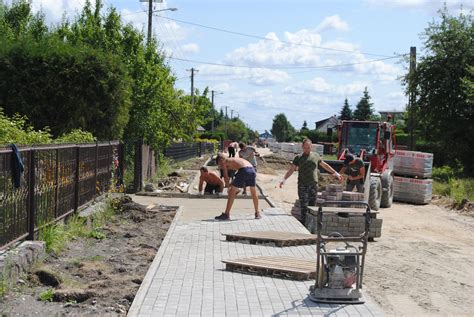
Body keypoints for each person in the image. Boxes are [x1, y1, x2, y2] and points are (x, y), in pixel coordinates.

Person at [279, 138, 342, 224]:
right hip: (302, 185)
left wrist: (335, 173)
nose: (307, 149)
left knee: (313, 207)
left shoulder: (315, 156)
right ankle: (304, 225)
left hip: (313, 185)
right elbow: (291, 170)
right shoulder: (298, 158)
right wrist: (284, 179)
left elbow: (324, 165)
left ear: (311, 147)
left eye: (308, 147)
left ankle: (311, 225)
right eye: (305, 147)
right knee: (304, 207)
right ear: (302, 147)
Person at [214, 153, 261, 220]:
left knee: (231, 193)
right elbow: (238, 174)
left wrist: (228, 187)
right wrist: (232, 185)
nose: (221, 166)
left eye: (219, 164)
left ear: (221, 160)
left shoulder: (224, 161)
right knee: (253, 192)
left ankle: (226, 214)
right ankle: (257, 213)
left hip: (244, 170)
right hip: (252, 170)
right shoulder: (234, 159)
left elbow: (226, 177)